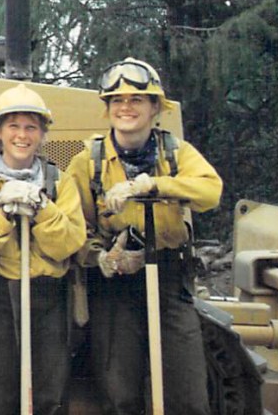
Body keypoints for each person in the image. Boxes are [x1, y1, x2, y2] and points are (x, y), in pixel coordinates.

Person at [65, 57, 222, 415]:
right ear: (107, 109)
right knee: (120, 393)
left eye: (137, 99)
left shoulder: (175, 153)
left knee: (187, 392)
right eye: (117, 100)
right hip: (115, 283)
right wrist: (101, 258)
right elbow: (76, 227)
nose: (126, 107)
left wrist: (154, 185)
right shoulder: (88, 161)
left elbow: (210, 191)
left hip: (169, 277)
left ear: (155, 107)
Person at [0, 83, 86, 415]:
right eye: (13, 125)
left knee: (49, 397)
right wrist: (2, 213)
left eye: (31, 127)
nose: (22, 135)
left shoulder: (60, 181)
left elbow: (70, 243)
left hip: (48, 295)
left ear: (42, 134)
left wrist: (42, 207)